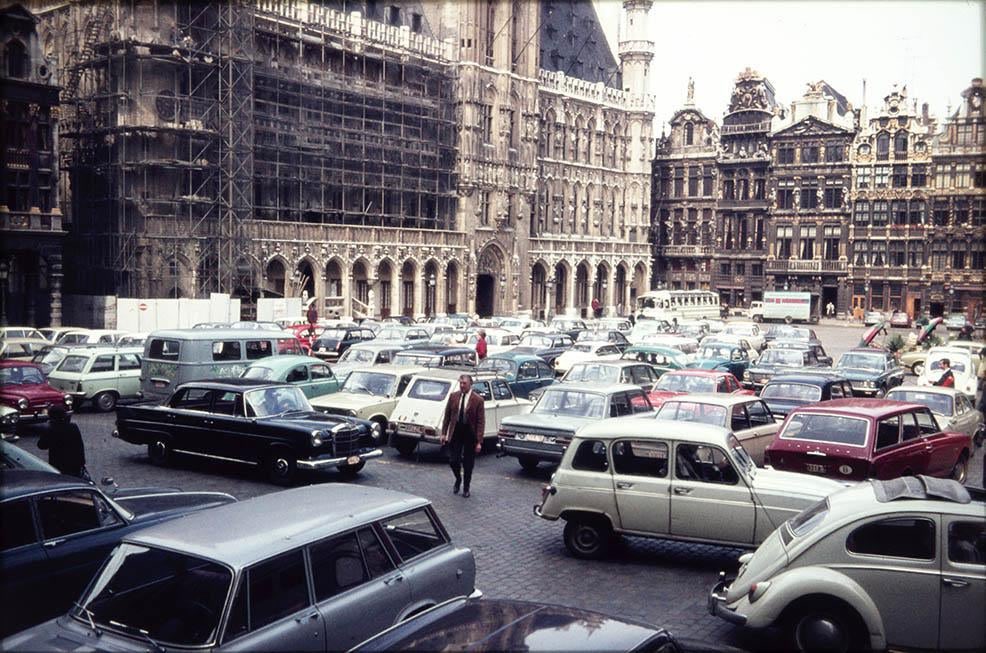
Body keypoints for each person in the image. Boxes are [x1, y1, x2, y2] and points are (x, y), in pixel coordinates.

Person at [440, 374, 485, 498]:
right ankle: (458, 479)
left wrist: (479, 441)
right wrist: (444, 433)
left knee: (468, 463)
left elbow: (481, 422)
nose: (462, 385)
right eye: (460, 383)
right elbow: (447, 416)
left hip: (470, 433)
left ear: (470, 384)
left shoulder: (478, 400)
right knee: (453, 460)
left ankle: (466, 487)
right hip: (457, 431)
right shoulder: (453, 396)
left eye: (464, 383)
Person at [37, 406, 87, 479]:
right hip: (76, 464)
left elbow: (41, 445)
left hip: (59, 466)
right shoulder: (73, 427)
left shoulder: (51, 430)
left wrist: (44, 431)